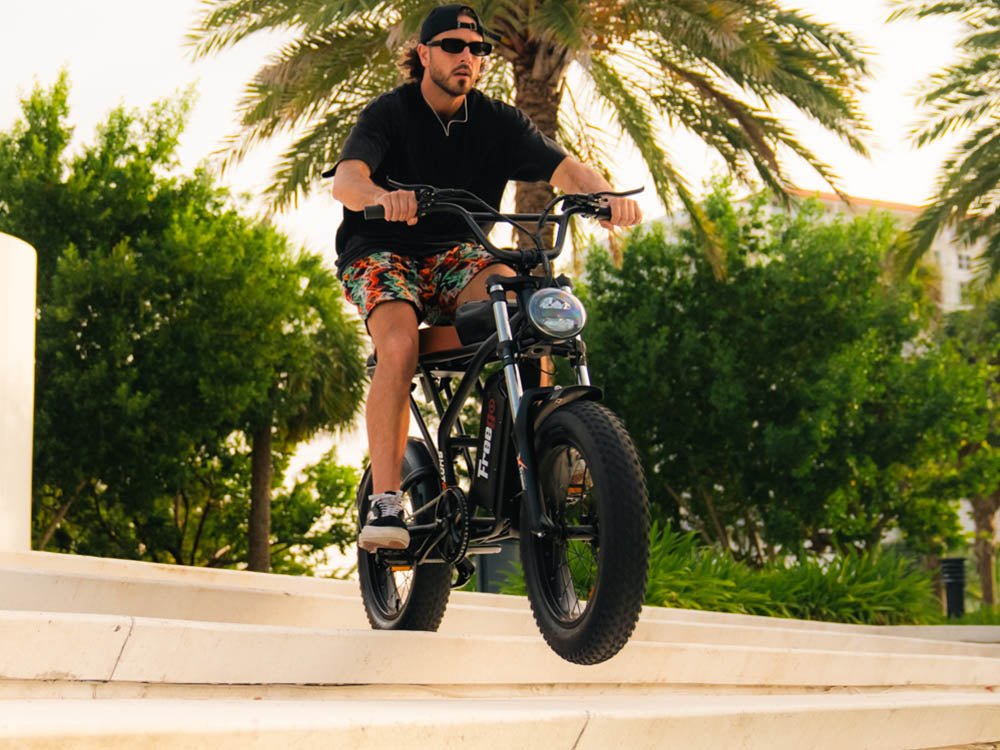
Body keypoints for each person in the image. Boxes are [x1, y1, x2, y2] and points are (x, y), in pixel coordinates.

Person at [328, 4, 642, 552]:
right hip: (381, 250)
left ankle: (541, 452)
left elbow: (567, 169)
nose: (467, 58)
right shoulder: (390, 113)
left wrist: (605, 194)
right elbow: (348, 181)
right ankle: (385, 501)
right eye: (453, 46)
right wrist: (382, 198)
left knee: (524, 307)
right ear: (423, 54)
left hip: (457, 251)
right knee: (399, 343)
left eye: (477, 50)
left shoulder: (498, 120)